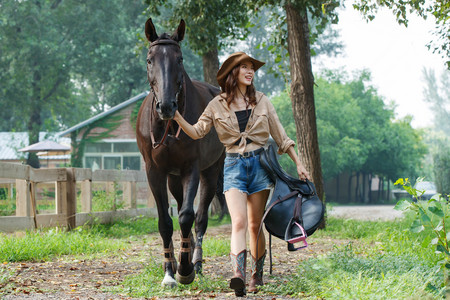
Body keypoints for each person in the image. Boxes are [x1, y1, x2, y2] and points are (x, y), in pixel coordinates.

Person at [173, 52, 310, 296]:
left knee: (255, 225)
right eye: (243, 67)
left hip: (260, 166)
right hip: (233, 165)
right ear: (232, 73)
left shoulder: (263, 101)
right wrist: (176, 116)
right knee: (238, 221)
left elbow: (281, 136)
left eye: (252, 68)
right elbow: (196, 132)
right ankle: (238, 274)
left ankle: (255, 277)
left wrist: (299, 163)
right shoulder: (216, 105)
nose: (250, 71)